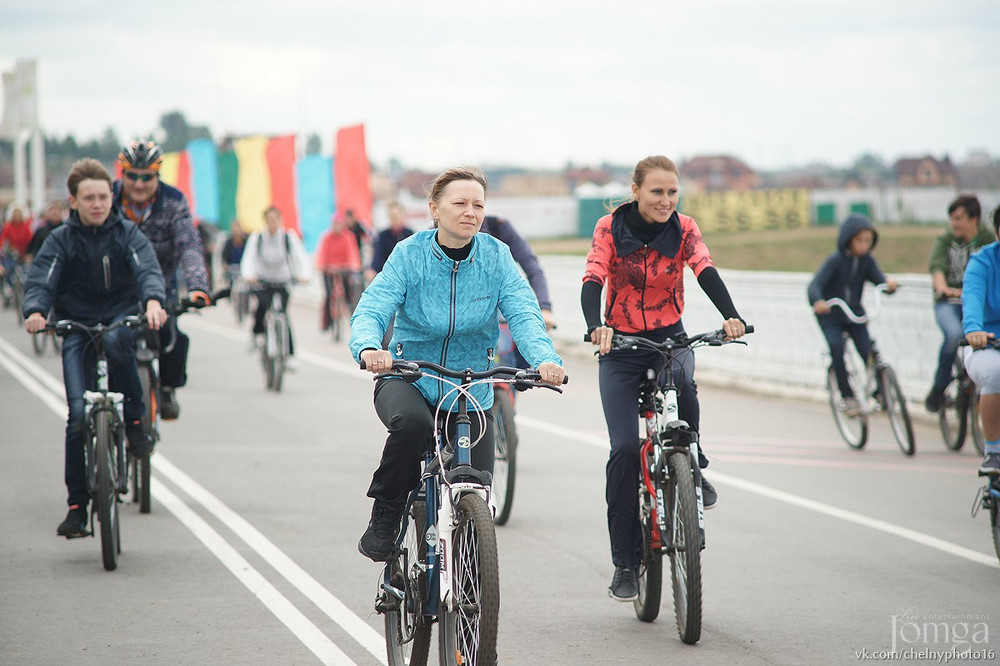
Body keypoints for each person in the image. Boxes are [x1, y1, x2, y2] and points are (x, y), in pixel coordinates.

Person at [350, 166, 565, 563]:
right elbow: (373, 307)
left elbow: (523, 313)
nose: (471, 211)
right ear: (434, 208)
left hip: (471, 386)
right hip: (409, 377)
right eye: (460, 203)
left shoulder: (496, 257)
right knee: (412, 426)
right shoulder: (409, 254)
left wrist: (545, 360)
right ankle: (387, 513)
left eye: (478, 205)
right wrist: (367, 348)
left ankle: (467, 585)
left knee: (476, 489)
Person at [581, 155, 746, 602]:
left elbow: (704, 269)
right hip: (621, 347)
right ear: (636, 191)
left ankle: (694, 464)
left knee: (685, 388)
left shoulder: (685, 228)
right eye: (657, 192)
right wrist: (596, 325)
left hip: (669, 338)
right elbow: (594, 275)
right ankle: (625, 564)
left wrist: (730, 316)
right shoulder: (609, 227)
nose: (666, 200)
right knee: (623, 450)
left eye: (673, 192)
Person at [21, 158, 167, 538]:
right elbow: (42, 279)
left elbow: (147, 269)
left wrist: (153, 302)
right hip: (77, 326)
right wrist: (35, 310)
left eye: (103, 196)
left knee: (121, 343)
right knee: (76, 414)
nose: (98, 204)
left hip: (119, 316)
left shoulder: (127, 234)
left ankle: (135, 424)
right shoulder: (60, 240)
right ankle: (77, 507)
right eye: (89, 198)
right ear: (74, 201)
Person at [113, 140, 211, 420]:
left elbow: (189, 245)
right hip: (116, 289)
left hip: (162, 285)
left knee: (174, 337)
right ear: (122, 174)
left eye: (147, 177)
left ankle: (167, 389)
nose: (139, 184)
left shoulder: (174, 201)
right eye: (132, 176)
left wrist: (197, 287)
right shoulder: (106, 198)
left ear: (158, 175)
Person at [808, 213, 898, 416]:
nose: (864, 245)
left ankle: (881, 391)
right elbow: (815, 285)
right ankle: (847, 396)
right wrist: (818, 302)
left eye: (868, 240)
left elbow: (879, 280)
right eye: (859, 240)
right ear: (848, 239)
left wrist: (888, 285)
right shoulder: (835, 260)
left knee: (869, 351)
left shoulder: (867, 261)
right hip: (832, 315)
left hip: (855, 315)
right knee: (836, 347)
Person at [924, 195, 995, 412]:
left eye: (959, 218)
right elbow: (937, 267)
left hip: (978, 304)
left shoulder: (987, 242)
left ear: (974, 218)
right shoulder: (945, 240)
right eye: (952, 218)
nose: (954, 223)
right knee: (954, 336)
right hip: (950, 302)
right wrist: (943, 288)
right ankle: (939, 386)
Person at [241, 206, 311, 366]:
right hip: (262, 281)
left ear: (280, 221)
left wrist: (304, 275)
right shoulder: (257, 237)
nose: (272, 223)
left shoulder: (288, 237)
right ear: (265, 221)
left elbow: (300, 257)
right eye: (269, 220)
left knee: (283, 315)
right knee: (260, 308)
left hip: (283, 281)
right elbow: (248, 258)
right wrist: (248, 275)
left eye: (275, 220)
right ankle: (256, 335)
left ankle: (291, 355)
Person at [961, 205, 1000, 475]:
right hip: (987, 344)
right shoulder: (982, 262)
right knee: (996, 373)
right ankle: (994, 452)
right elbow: (972, 298)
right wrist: (974, 329)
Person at [316, 212, 363, 331]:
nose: (337, 226)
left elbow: (352, 253)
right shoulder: (326, 237)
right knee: (328, 294)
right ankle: (327, 322)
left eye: (339, 224)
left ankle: (350, 309)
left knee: (350, 291)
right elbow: (322, 254)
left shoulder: (349, 236)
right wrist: (321, 265)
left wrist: (354, 265)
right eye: (335, 224)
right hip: (329, 270)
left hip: (344, 269)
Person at [365, 201, 414, 283]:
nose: (394, 219)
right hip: (388, 274)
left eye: (396, 216)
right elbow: (378, 255)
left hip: (407, 274)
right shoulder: (383, 235)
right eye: (392, 216)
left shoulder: (410, 234)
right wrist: (373, 270)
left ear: (402, 216)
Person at [0, 201, 34, 292]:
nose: (17, 217)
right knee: (10, 268)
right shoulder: (7, 227)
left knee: (27, 270)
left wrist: (29, 253)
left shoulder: (26, 227)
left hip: (23, 253)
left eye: (19, 215)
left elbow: (30, 241)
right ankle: (8, 287)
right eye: (15, 215)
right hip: (11, 253)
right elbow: (3, 241)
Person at [221, 218, 248, 285]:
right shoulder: (228, 243)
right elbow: (224, 258)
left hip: (243, 270)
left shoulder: (246, 242)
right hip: (232, 271)